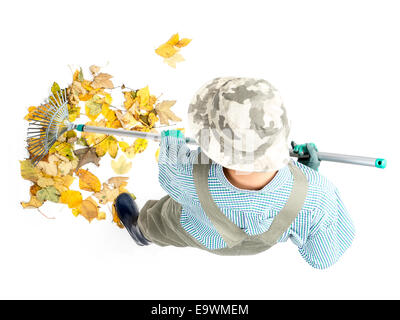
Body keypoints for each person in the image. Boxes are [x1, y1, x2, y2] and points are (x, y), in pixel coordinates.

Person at [114, 77, 355, 269]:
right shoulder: (319, 195)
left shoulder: (188, 172)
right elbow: (322, 257)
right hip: (259, 245)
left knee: (161, 221)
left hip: (195, 231)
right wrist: (305, 175)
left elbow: (169, 174)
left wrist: (172, 143)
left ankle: (141, 231)